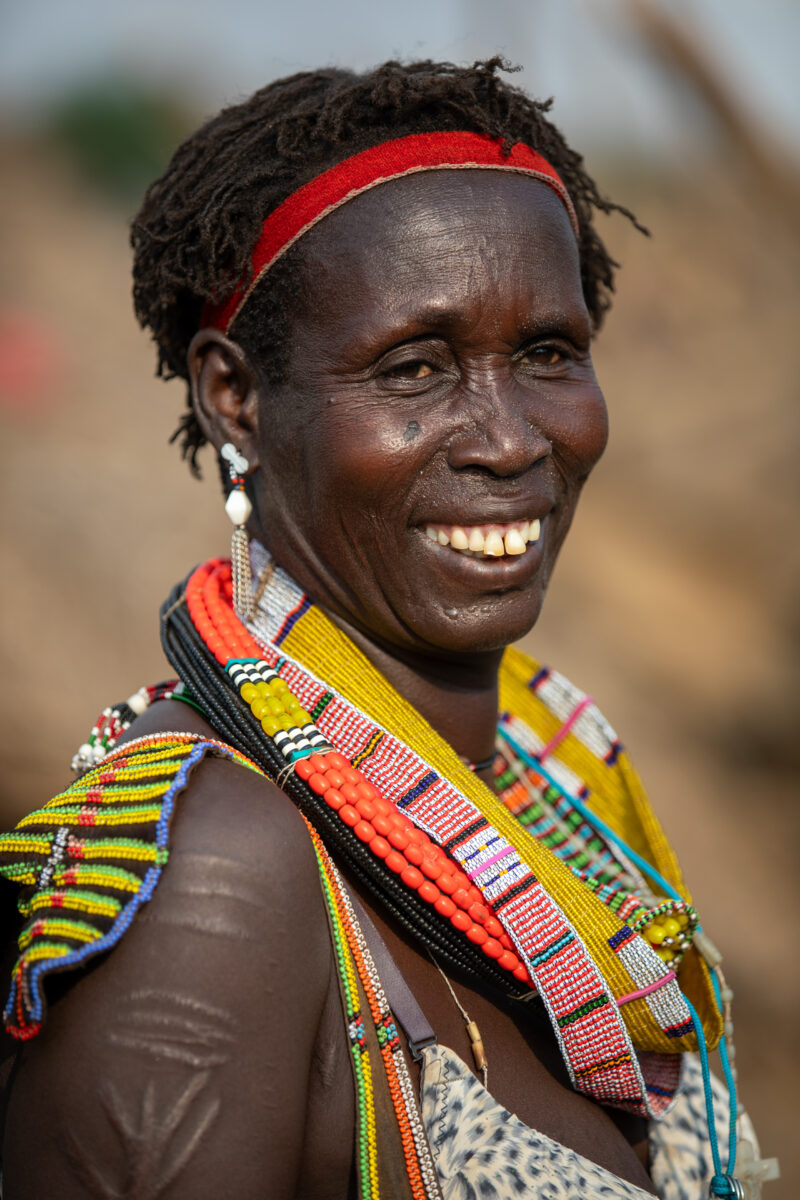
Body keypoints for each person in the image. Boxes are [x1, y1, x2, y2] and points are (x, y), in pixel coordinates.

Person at [0, 59, 770, 1200]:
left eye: (547, 354)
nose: (510, 440)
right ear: (236, 399)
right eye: (415, 368)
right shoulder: (216, 884)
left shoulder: (547, 777)